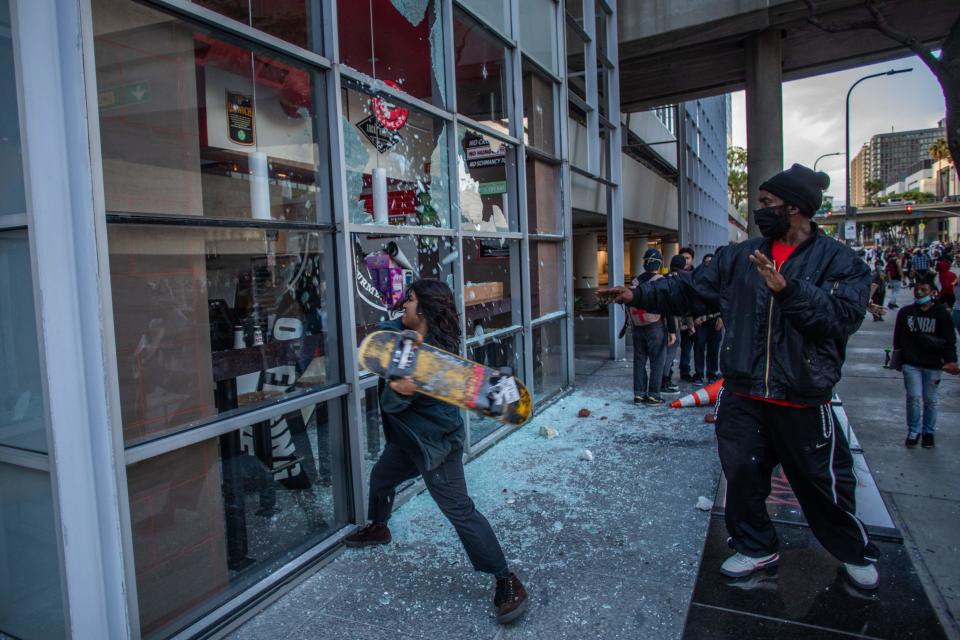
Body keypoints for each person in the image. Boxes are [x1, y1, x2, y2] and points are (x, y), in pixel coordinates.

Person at [599, 163, 882, 590]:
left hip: (802, 398)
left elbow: (839, 318)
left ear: (797, 208)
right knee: (743, 478)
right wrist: (637, 293)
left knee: (817, 485)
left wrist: (788, 290)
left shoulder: (842, 263)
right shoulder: (740, 256)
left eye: (767, 203)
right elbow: (690, 290)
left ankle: (851, 550)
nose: (759, 210)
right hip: (744, 395)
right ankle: (755, 547)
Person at [345, 279, 528, 624]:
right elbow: (382, 334)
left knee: (460, 512)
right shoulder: (404, 338)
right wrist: (404, 338)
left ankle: (507, 580)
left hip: (435, 448)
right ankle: (379, 526)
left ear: (426, 310)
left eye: (410, 300)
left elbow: (397, 405)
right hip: (406, 443)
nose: (403, 304)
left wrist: (400, 390)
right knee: (381, 478)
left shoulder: (434, 367)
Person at [892, 273, 959, 448]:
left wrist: (951, 360)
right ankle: (913, 431)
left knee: (931, 399)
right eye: (917, 290)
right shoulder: (906, 313)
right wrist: (898, 357)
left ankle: (928, 432)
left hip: (933, 364)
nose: (919, 293)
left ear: (933, 292)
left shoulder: (942, 315)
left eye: (924, 290)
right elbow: (898, 338)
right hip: (911, 363)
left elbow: (950, 340)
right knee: (913, 397)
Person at [627, 249, 673, 405]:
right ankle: (654, 395)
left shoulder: (635, 282)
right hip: (655, 325)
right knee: (657, 360)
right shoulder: (661, 281)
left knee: (639, 360)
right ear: (659, 264)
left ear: (644, 262)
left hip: (637, 325)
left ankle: (639, 394)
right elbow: (668, 307)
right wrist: (672, 330)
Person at [662, 255, 689, 390]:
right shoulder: (682, 280)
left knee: (664, 351)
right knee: (671, 350)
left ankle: (663, 377)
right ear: (684, 266)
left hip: (661, 320)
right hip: (674, 320)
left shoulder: (663, 279)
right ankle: (664, 379)